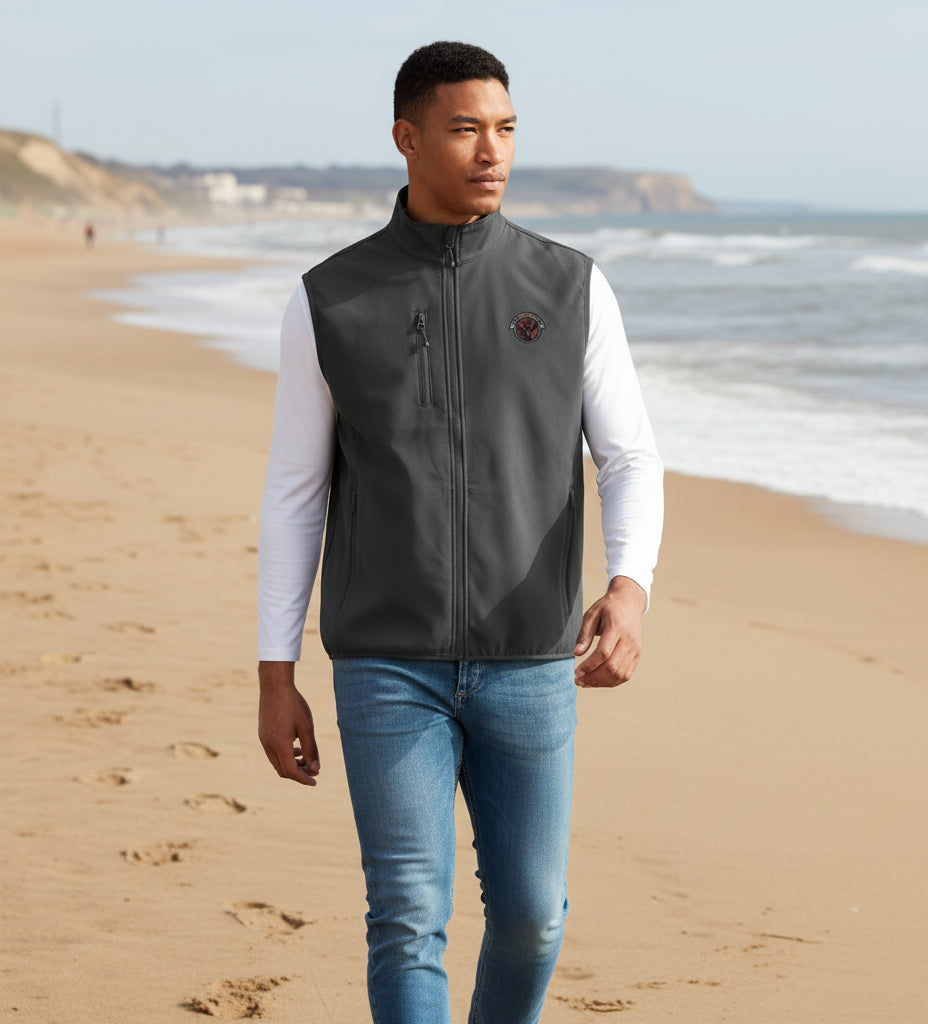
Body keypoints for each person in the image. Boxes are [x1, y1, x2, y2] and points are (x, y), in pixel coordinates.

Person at [257, 41, 663, 1024]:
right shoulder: (330, 300)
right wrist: (276, 670)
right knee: (405, 913)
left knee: (532, 914)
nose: (493, 150)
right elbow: (295, 491)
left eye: (506, 128)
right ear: (406, 138)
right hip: (385, 662)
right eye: (465, 127)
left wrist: (629, 582)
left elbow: (628, 456)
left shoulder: (570, 288)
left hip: (530, 656)